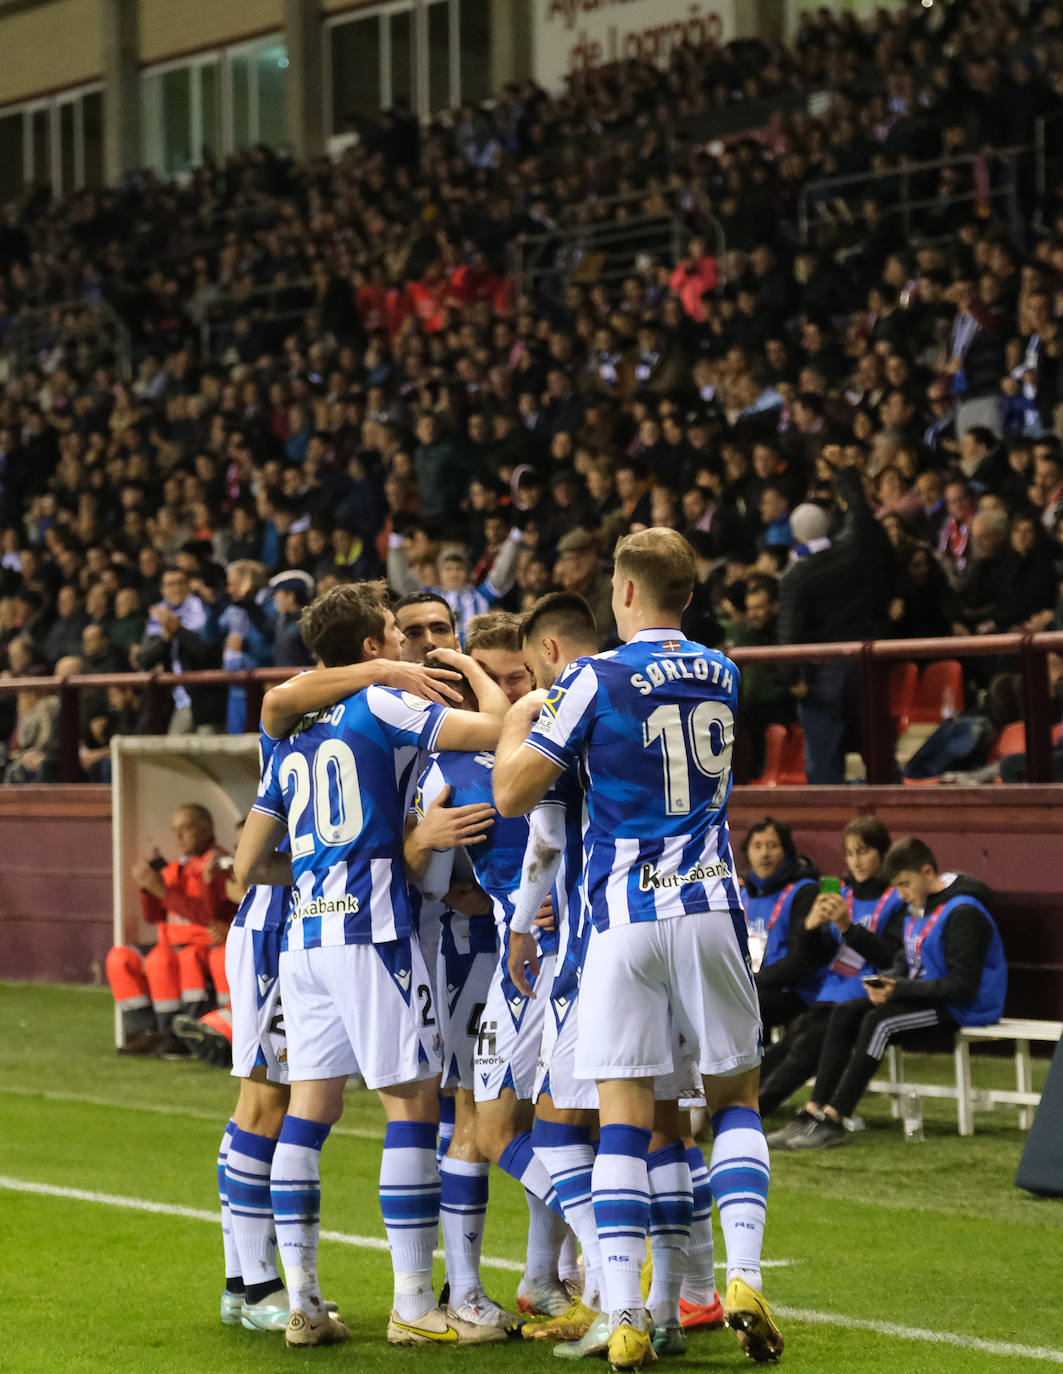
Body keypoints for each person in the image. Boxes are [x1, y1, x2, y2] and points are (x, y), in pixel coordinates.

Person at [493, 528, 782, 1368]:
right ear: (687, 598)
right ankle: (744, 1276)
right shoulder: (724, 672)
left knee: (620, 1112)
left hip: (621, 915)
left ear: (622, 593)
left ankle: (622, 1311)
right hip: (711, 905)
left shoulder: (592, 675)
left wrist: (519, 722)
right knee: (730, 1101)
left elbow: (515, 795)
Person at [234, 583, 509, 1348]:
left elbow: (248, 863)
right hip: (374, 933)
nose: (404, 648)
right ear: (369, 648)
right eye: (394, 635)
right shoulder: (382, 703)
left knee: (308, 1110)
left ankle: (303, 1302)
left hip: (306, 943)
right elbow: (492, 728)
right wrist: (469, 668)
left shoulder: (288, 733)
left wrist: (323, 865)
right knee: (414, 1107)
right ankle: (414, 1303)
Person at [780, 836, 1007, 1150]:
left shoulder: (964, 912)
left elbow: (962, 986)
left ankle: (835, 1117)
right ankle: (813, 1110)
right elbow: (905, 961)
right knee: (846, 1010)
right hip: (926, 995)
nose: (902, 895)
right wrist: (885, 983)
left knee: (880, 1022)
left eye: (904, 885)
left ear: (927, 872)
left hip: (964, 1006)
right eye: (897, 887)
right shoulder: (919, 907)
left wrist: (899, 989)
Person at [760, 816, 906, 1128]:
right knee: (787, 1046)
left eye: (864, 852)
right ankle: (734, 1106)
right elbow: (819, 955)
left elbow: (891, 958)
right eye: (850, 853)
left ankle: (755, 1110)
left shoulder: (897, 897)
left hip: (864, 998)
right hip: (829, 993)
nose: (856, 861)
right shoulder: (842, 893)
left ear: (882, 853)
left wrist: (848, 928)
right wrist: (810, 928)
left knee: (804, 1050)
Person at [106, 804, 236, 1057]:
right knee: (121, 958)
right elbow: (154, 916)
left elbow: (209, 916)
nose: (179, 836)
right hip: (174, 943)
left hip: (206, 946)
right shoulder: (177, 867)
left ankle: (199, 1035)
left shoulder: (218, 864)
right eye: (175, 830)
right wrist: (147, 887)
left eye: (186, 828)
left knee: (177, 959)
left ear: (206, 828)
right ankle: (147, 1033)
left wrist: (162, 891)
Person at [741, 816, 829, 1037]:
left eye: (772, 846)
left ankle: (755, 1069)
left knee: (741, 1006)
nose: (764, 854)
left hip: (794, 990)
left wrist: (751, 983)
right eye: (757, 846)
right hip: (753, 984)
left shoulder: (804, 891)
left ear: (786, 851)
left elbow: (802, 960)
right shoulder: (743, 894)